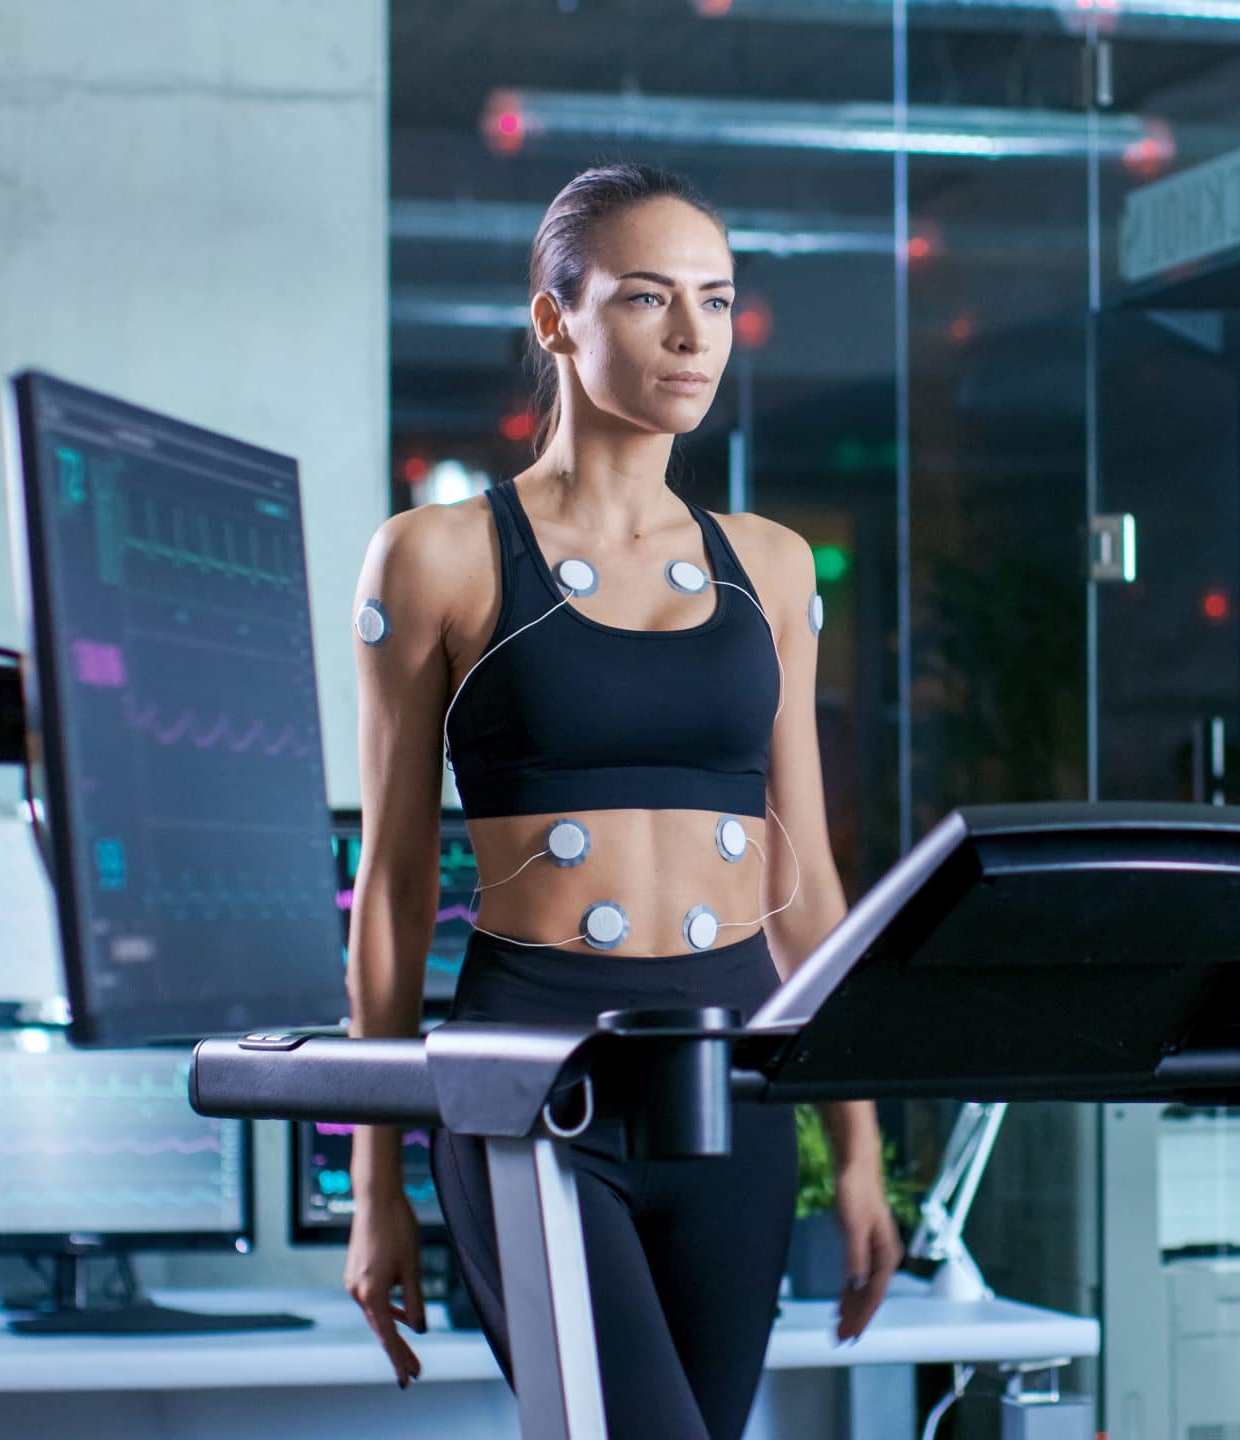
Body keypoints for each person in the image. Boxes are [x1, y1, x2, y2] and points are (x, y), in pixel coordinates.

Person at [339, 162, 900, 1439]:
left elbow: (802, 877)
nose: (695, 336)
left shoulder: (769, 563)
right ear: (557, 321)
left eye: (715, 299)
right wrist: (381, 1183)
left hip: (732, 1084)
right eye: (650, 299)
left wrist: (857, 1144)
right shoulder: (435, 555)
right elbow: (395, 888)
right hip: (531, 1075)